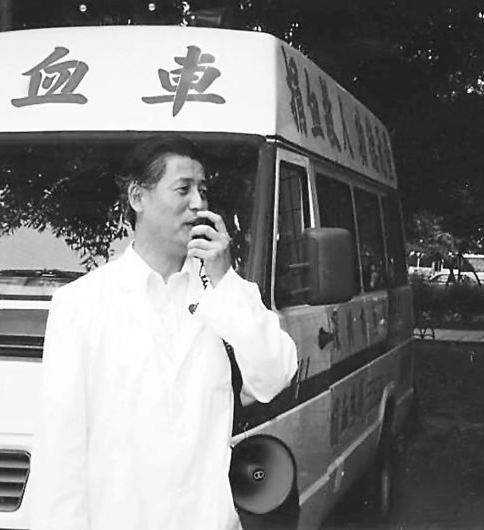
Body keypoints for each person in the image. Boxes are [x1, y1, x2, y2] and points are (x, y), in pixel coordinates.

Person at [31, 135, 298, 530]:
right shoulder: (81, 305)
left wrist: (225, 280)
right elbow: (60, 454)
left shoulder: (223, 295)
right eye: (183, 189)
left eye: (203, 190)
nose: (198, 203)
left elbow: (275, 376)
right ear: (137, 197)